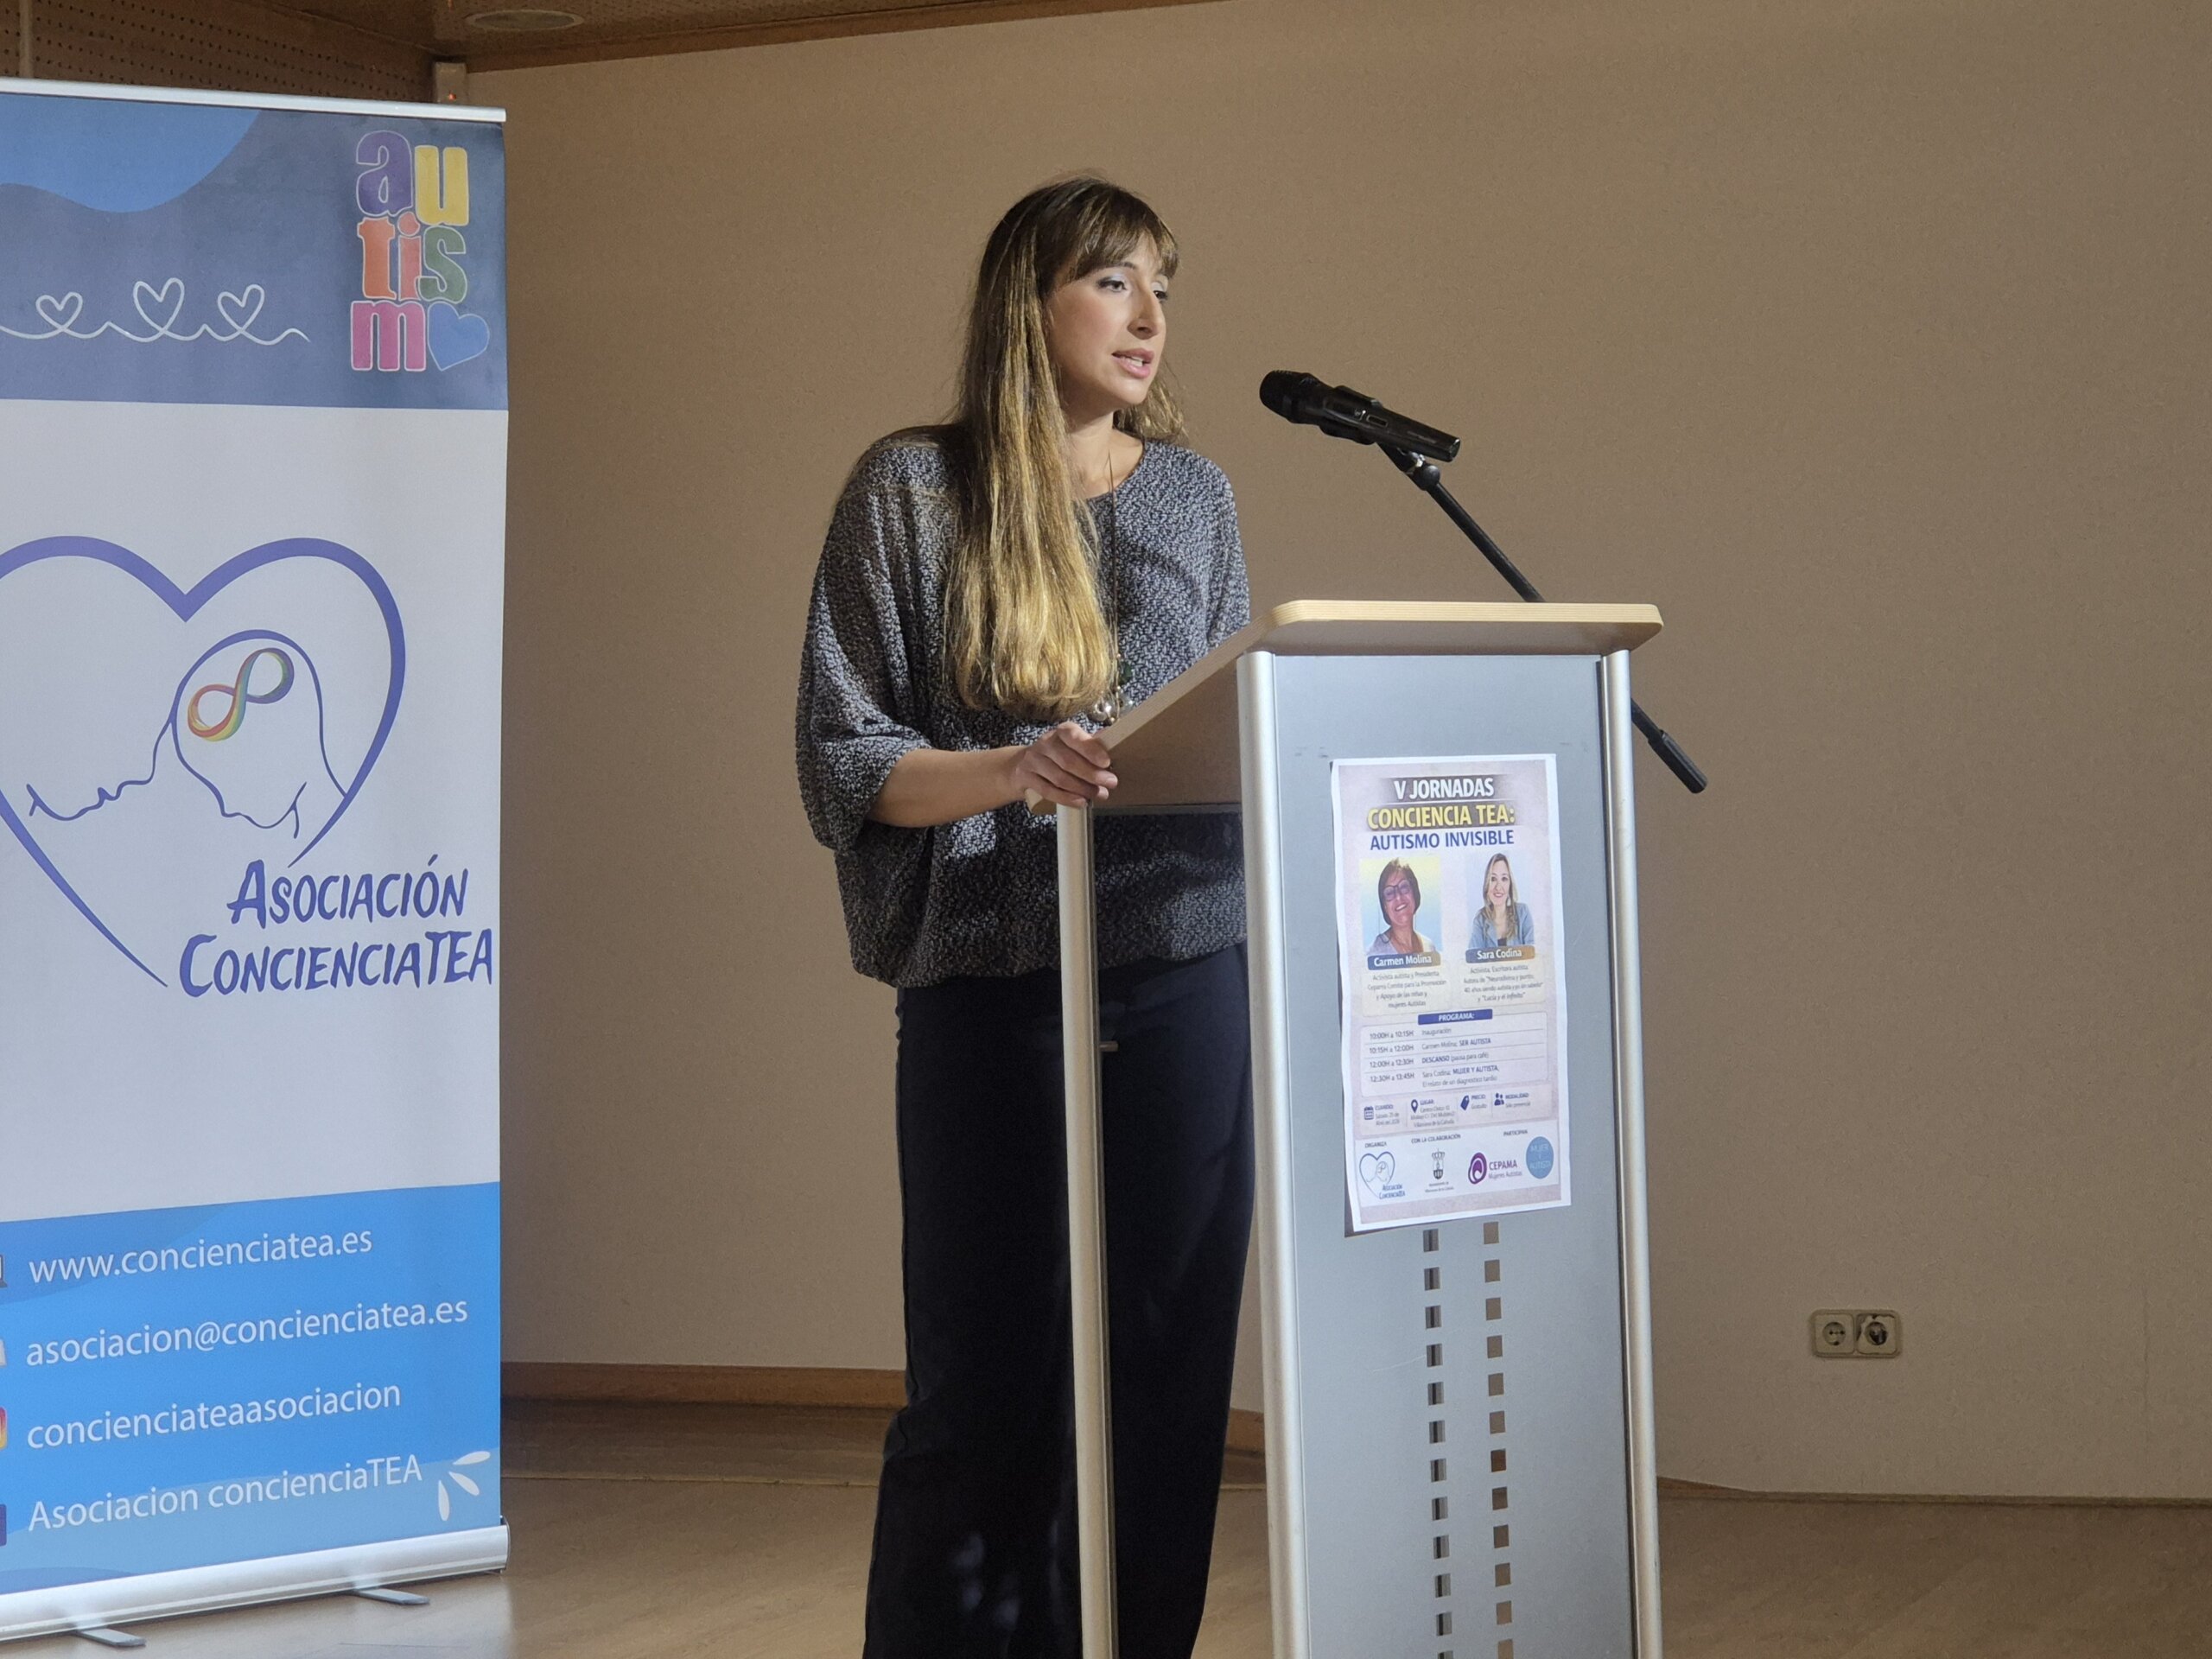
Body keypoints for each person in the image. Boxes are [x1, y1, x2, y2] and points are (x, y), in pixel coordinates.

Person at [796, 177, 1252, 1659]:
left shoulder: (1195, 495)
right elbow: (842, 756)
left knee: (1169, 1379)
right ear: (1029, 301)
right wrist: (1019, 767)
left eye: (1161, 284)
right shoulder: (909, 492)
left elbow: (1232, 717)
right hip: (997, 981)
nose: (1149, 314)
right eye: (1112, 280)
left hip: (1183, 970)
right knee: (985, 1387)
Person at [1367, 857, 1434, 960]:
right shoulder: (1375, 953)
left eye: (1403, 887)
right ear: (1385, 906)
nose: (1398, 897)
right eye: (1389, 893)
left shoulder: (1429, 947)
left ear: (1414, 892)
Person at [1470, 852, 1535, 950]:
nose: (1498, 887)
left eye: (1504, 879)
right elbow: (1473, 960)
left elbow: (1533, 955)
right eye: (1493, 879)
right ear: (1487, 885)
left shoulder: (1523, 913)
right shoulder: (1480, 920)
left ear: (1510, 885)